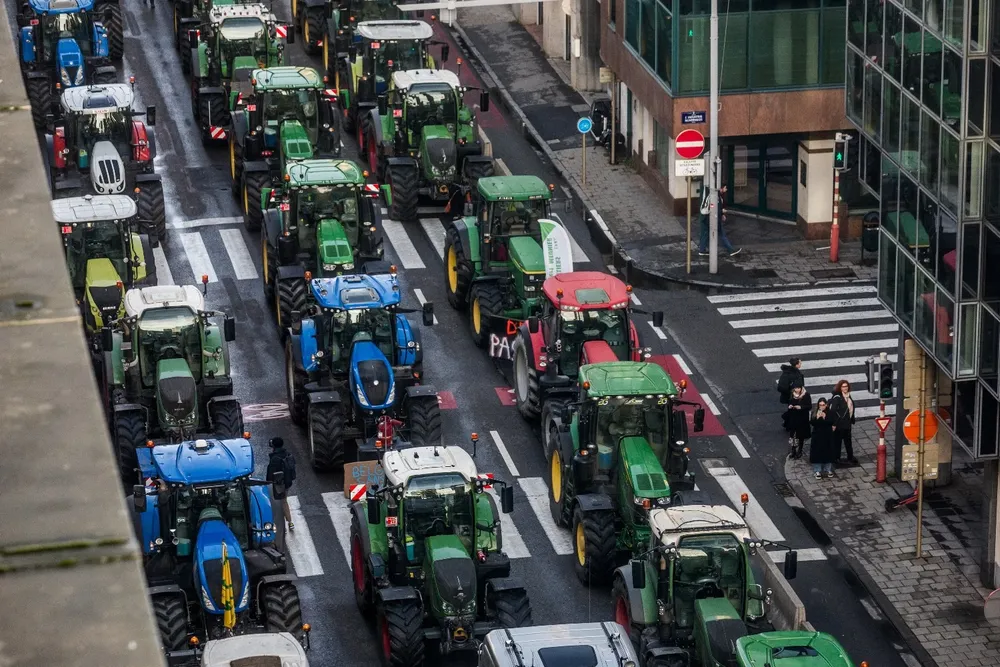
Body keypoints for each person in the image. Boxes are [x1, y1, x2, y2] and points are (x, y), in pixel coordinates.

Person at [697, 185, 741, 257]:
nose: (726, 190)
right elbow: (712, 207)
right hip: (711, 219)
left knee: (705, 234)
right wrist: (721, 211)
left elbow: (715, 207)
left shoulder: (718, 196)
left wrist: (722, 214)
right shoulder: (715, 196)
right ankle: (731, 250)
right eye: (725, 188)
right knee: (722, 234)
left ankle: (702, 250)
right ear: (721, 188)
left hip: (707, 219)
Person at [266, 437, 297, 531]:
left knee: (278, 503)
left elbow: (270, 473)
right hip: (287, 482)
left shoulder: (275, 458)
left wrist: (268, 483)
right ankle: (289, 522)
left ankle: (283, 524)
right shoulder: (288, 454)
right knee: (284, 501)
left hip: (278, 483)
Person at [829, 379, 858, 465]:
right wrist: (834, 423)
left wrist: (852, 418)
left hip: (847, 423)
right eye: (843, 386)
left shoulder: (848, 395)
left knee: (848, 441)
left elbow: (851, 407)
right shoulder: (837, 398)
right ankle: (836, 458)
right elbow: (833, 410)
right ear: (840, 388)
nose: (845, 388)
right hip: (839, 424)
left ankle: (850, 456)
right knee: (838, 442)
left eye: (846, 386)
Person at [809, 398, 837, 478]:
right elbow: (812, 423)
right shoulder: (814, 412)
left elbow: (832, 421)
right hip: (817, 436)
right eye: (820, 405)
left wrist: (825, 418)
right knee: (817, 453)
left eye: (823, 405)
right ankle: (817, 470)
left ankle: (828, 469)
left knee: (828, 452)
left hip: (827, 435)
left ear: (826, 405)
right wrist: (817, 418)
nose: (822, 407)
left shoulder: (830, 412)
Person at [782, 383, 812, 459]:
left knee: (800, 435)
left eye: (799, 388)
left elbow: (809, 406)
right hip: (793, 418)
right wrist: (790, 406)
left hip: (802, 418)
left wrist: (801, 407)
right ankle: (793, 450)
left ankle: (800, 450)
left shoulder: (806, 395)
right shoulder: (792, 395)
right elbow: (789, 403)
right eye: (796, 388)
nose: (797, 390)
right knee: (793, 435)